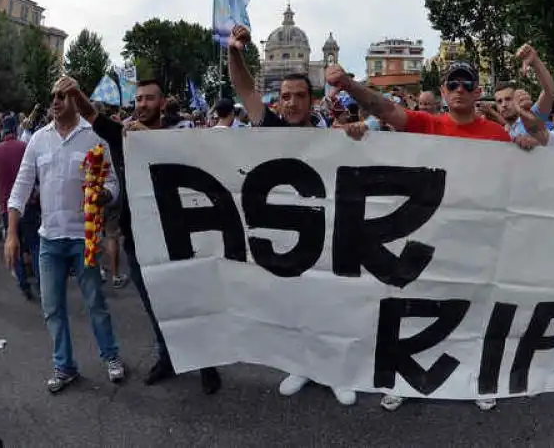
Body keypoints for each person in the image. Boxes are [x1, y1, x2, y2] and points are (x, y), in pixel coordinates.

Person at [327, 59, 511, 411]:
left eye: (465, 84)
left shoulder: (496, 135)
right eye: (451, 84)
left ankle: (478, 377)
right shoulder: (427, 124)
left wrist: (533, 144)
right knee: (413, 304)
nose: (458, 90)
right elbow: (385, 109)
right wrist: (349, 85)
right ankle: (401, 377)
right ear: (442, 91)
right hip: (427, 233)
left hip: (475, 235)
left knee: (474, 306)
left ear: (476, 91)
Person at [69, 77, 223, 395]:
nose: (142, 104)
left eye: (149, 99)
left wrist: (152, 138)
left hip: (178, 237)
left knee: (190, 303)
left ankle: (207, 364)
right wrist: (74, 91)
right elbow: (90, 115)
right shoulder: (120, 132)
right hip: (138, 239)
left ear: (163, 103)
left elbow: (198, 159)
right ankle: (168, 358)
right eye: (138, 99)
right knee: (156, 306)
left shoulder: (182, 132)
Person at [228, 24, 355, 406]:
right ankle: (302, 364)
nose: (293, 102)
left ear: (311, 99)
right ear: (279, 101)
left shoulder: (332, 133)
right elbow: (246, 90)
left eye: (300, 95)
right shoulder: (269, 127)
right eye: (286, 96)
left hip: (328, 232)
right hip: (285, 232)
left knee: (331, 301)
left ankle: (337, 370)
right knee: (296, 303)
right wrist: (235, 51)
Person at [5, 77, 126, 394]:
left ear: (76, 99)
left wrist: (104, 196)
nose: (55, 101)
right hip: (49, 240)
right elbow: (20, 189)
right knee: (52, 308)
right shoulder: (38, 140)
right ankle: (65, 366)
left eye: (63, 95)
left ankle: (111, 356)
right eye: (53, 96)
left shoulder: (93, 136)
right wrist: (11, 234)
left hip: (83, 239)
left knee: (95, 302)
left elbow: (113, 184)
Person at [0, 116, 40, 299]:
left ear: (2, 129)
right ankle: (42, 283)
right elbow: (36, 172)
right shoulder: (24, 147)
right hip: (28, 205)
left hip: (6, 208)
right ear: (15, 128)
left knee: (14, 246)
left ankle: (23, 284)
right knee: (34, 244)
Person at [493, 45, 554, 139]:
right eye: (499, 101)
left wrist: (535, 62)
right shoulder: (501, 132)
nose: (504, 105)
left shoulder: (531, 117)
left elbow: (550, 92)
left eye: (508, 99)